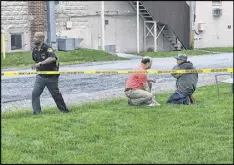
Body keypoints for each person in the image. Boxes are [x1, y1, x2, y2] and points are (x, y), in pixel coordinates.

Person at [31, 32, 70, 114]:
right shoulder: (34, 50)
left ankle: (64, 111)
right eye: (34, 37)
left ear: (41, 39)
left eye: (36, 37)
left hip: (51, 76)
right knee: (35, 94)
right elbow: (36, 60)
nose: (33, 38)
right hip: (40, 76)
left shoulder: (47, 48)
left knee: (56, 95)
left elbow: (52, 58)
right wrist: (36, 66)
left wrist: (40, 63)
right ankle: (36, 113)